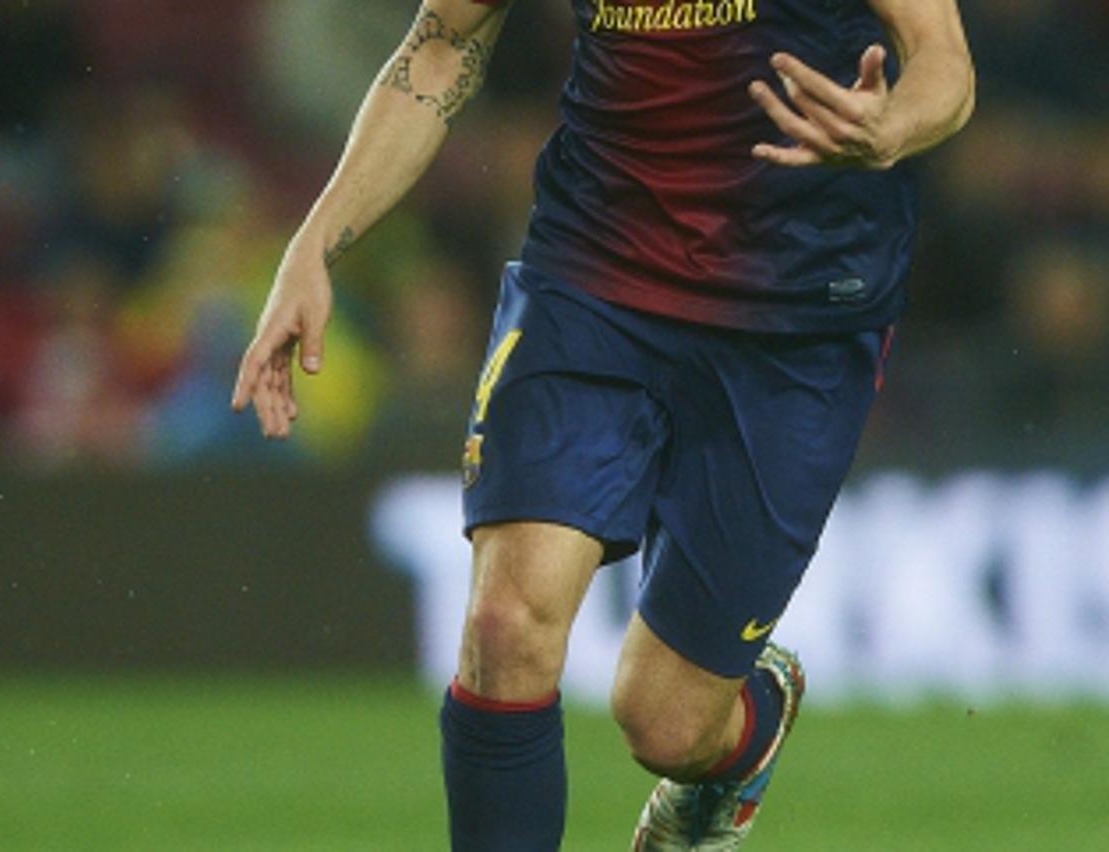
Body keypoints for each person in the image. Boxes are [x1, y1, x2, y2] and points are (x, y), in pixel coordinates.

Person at [231, 1, 975, 849]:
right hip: (594, 274)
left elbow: (945, 61)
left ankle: (747, 733)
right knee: (503, 629)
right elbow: (441, 45)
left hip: (795, 316)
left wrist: (893, 124)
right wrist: (313, 245)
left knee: (665, 725)